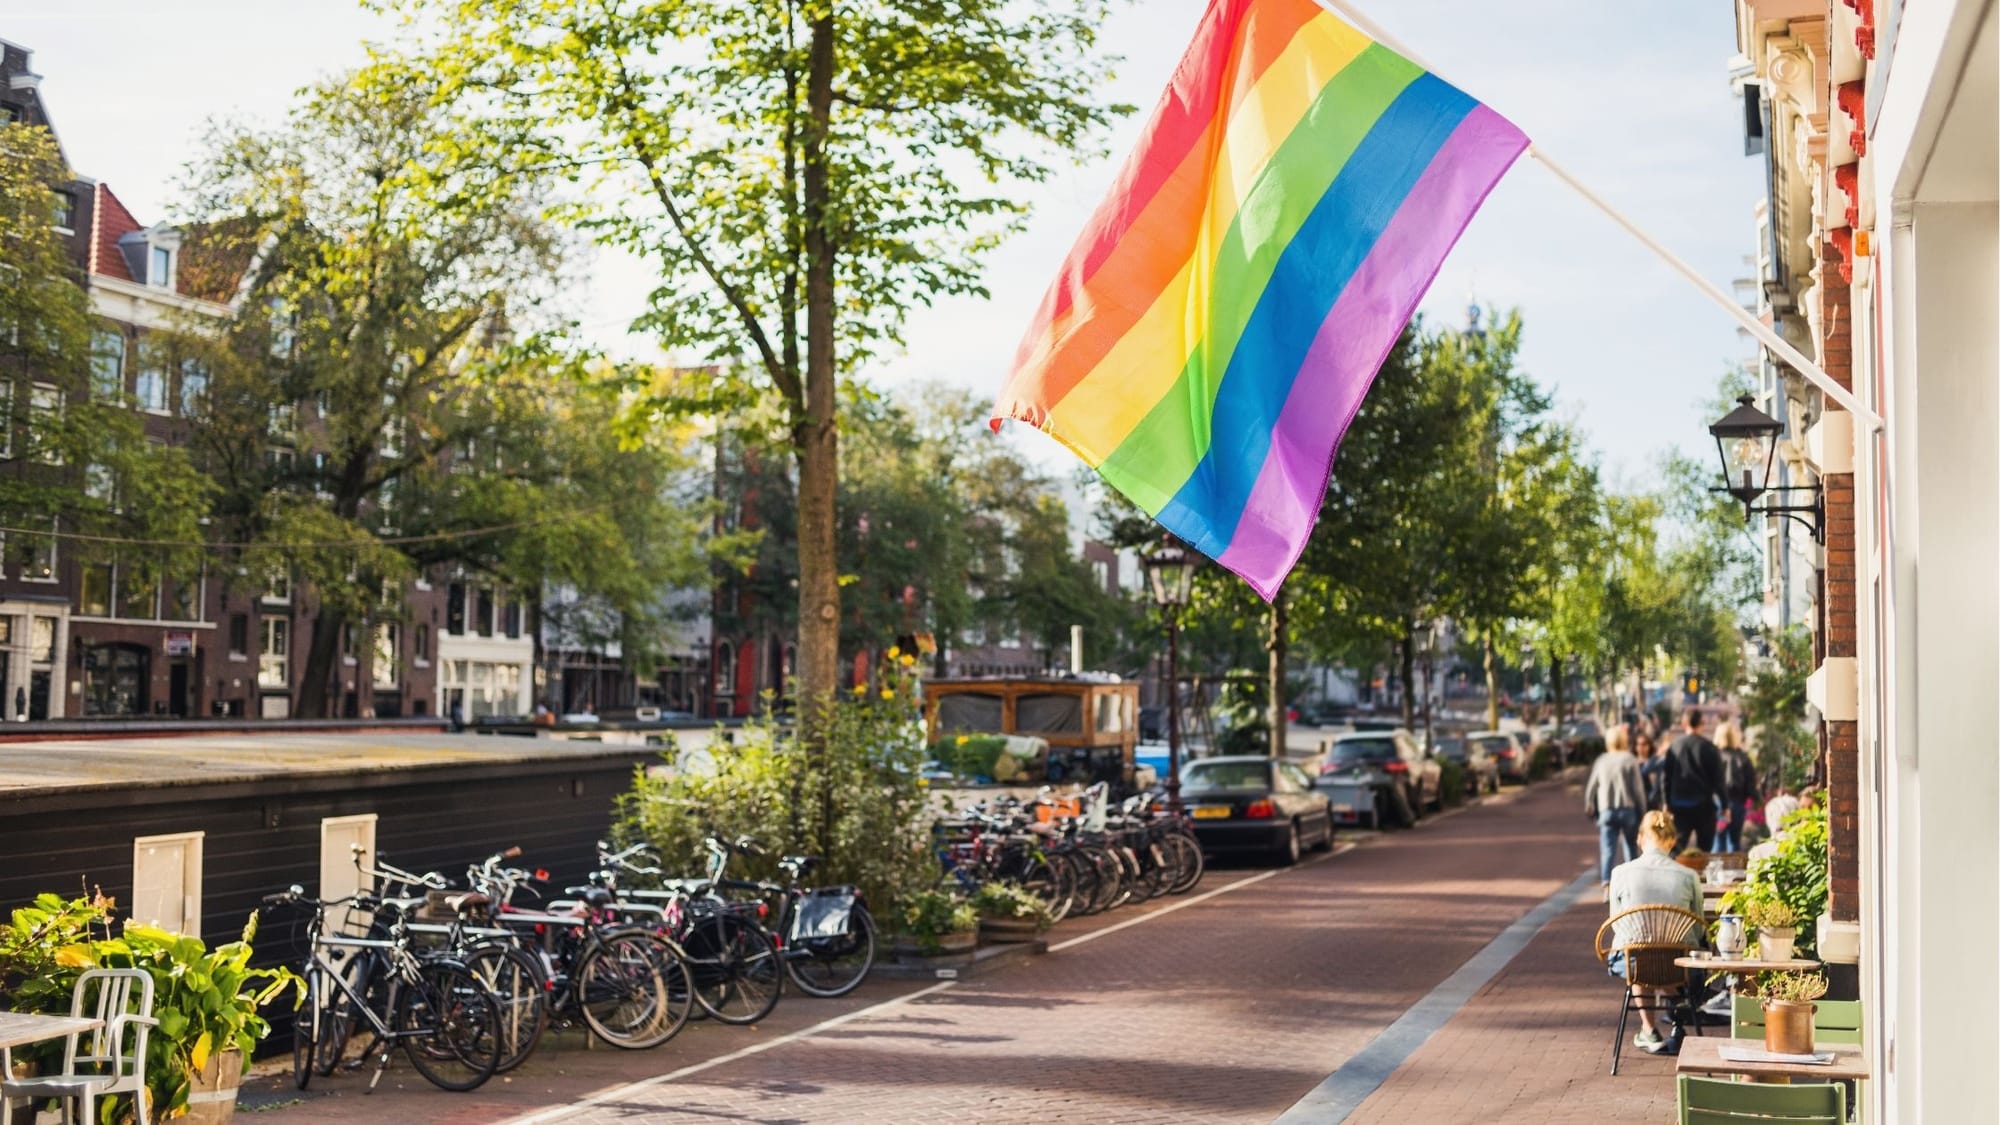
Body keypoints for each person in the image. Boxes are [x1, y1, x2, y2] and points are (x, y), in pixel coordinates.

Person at [1607, 809, 1705, 1054]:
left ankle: (1649, 1030)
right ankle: (1677, 1005)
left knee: (1635, 950)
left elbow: (1616, 923)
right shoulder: (1689, 876)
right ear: (1672, 841)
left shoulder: (1620, 873)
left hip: (1635, 963)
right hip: (1678, 964)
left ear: (1639, 838)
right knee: (1672, 955)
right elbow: (1699, 925)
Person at [1585, 725, 1647, 883]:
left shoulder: (1602, 760)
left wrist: (1589, 804)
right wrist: (1643, 810)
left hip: (1607, 810)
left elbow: (1592, 786)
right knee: (1631, 847)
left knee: (1607, 849)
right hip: (1628, 809)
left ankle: (1606, 882)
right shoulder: (1629, 759)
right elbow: (1638, 789)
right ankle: (1632, 882)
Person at [1662, 708, 1725, 852]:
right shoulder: (1709, 748)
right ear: (1701, 724)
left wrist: (1666, 802)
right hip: (1704, 807)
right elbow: (1718, 780)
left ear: (1684, 724)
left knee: (1676, 850)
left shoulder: (1674, 747)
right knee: (1705, 851)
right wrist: (1725, 804)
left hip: (1679, 807)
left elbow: (1666, 777)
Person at [1714, 721, 1757, 852]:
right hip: (1738, 802)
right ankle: (1734, 870)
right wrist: (1756, 799)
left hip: (1718, 803)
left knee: (1718, 839)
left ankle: (1716, 870)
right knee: (1734, 841)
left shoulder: (1714, 756)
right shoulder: (1743, 758)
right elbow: (1751, 783)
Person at [1635, 730, 1665, 811]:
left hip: (1654, 804)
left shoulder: (1656, 763)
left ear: (1649, 746)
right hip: (1638, 803)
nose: (1641, 747)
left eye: (1644, 744)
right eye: (1638, 744)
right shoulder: (1633, 763)